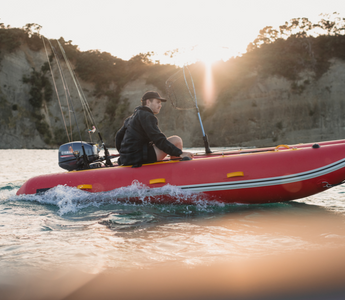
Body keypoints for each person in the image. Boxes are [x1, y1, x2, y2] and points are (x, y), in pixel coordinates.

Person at [115, 91, 194, 166]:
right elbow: (158, 139)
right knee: (176, 140)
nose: (160, 105)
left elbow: (118, 137)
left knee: (164, 144)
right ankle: (176, 169)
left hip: (126, 159)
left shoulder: (132, 117)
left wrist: (125, 154)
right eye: (158, 102)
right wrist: (180, 153)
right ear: (148, 102)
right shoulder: (147, 116)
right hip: (139, 158)